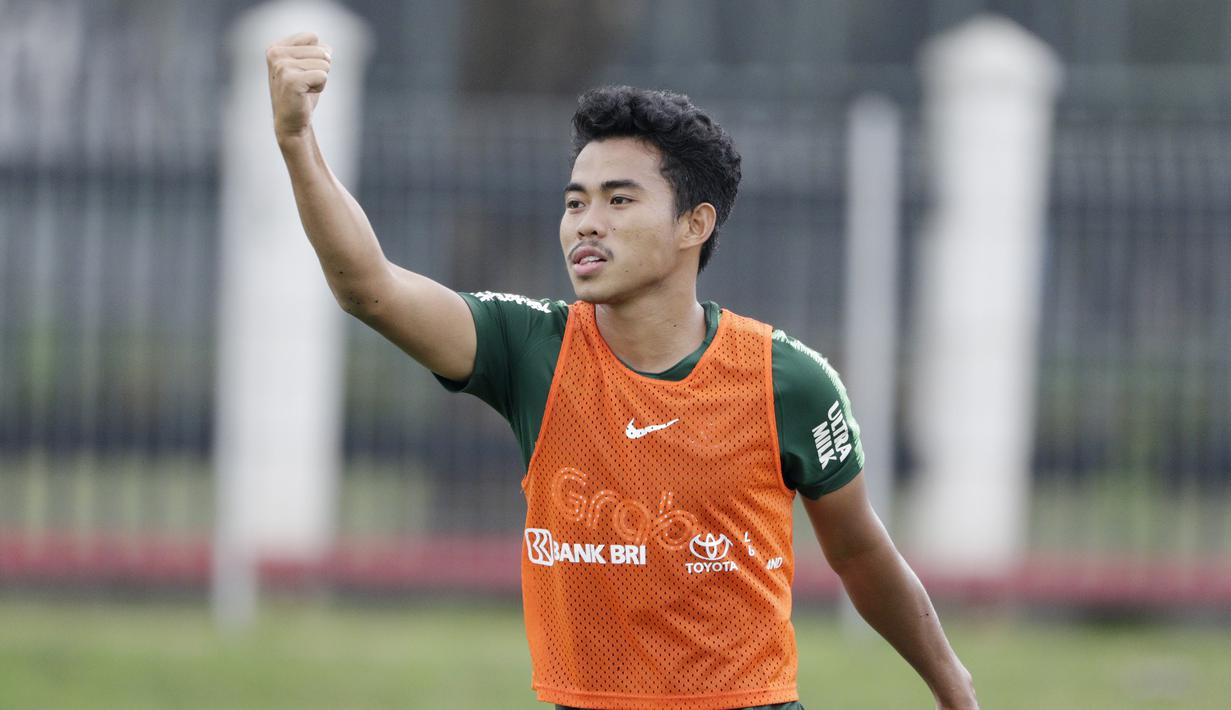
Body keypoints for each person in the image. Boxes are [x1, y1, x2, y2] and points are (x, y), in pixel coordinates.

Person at [266, 31, 979, 710]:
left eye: (619, 199)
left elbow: (858, 551)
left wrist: (951, 684)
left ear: (693, 226)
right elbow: (371, 289)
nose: (585, 222)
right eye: (575, 201)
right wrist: (298, 142)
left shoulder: (785, 379)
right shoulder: (529, 347)